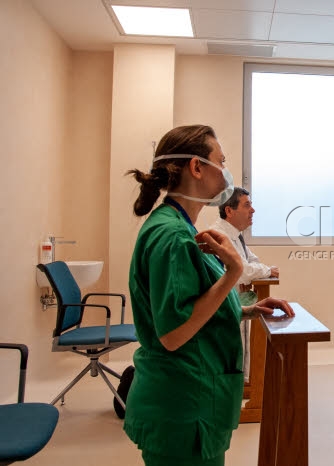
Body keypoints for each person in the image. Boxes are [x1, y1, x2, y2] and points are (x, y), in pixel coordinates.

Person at [124, 124, 294, 466]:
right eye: (221, 160)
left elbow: (193, 303)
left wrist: (247, 310)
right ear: (196, 167)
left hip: (193, 398)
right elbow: (174, 334)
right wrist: (233, 272)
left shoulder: (181, 226)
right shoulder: (172, 235)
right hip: (184, 401)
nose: (226, 170)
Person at [209, 187, 279, 383]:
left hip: (238, 299)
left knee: (243, 352)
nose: (253, 210)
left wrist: (261, 269)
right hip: (226, 302)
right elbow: (243, 270)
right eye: (247, 205)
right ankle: (242, 388)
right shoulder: (218, 234)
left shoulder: (235, 234)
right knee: (232, 355)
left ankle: (247, 385)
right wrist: (266, 270)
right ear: (229, 211)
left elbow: (252, 261)